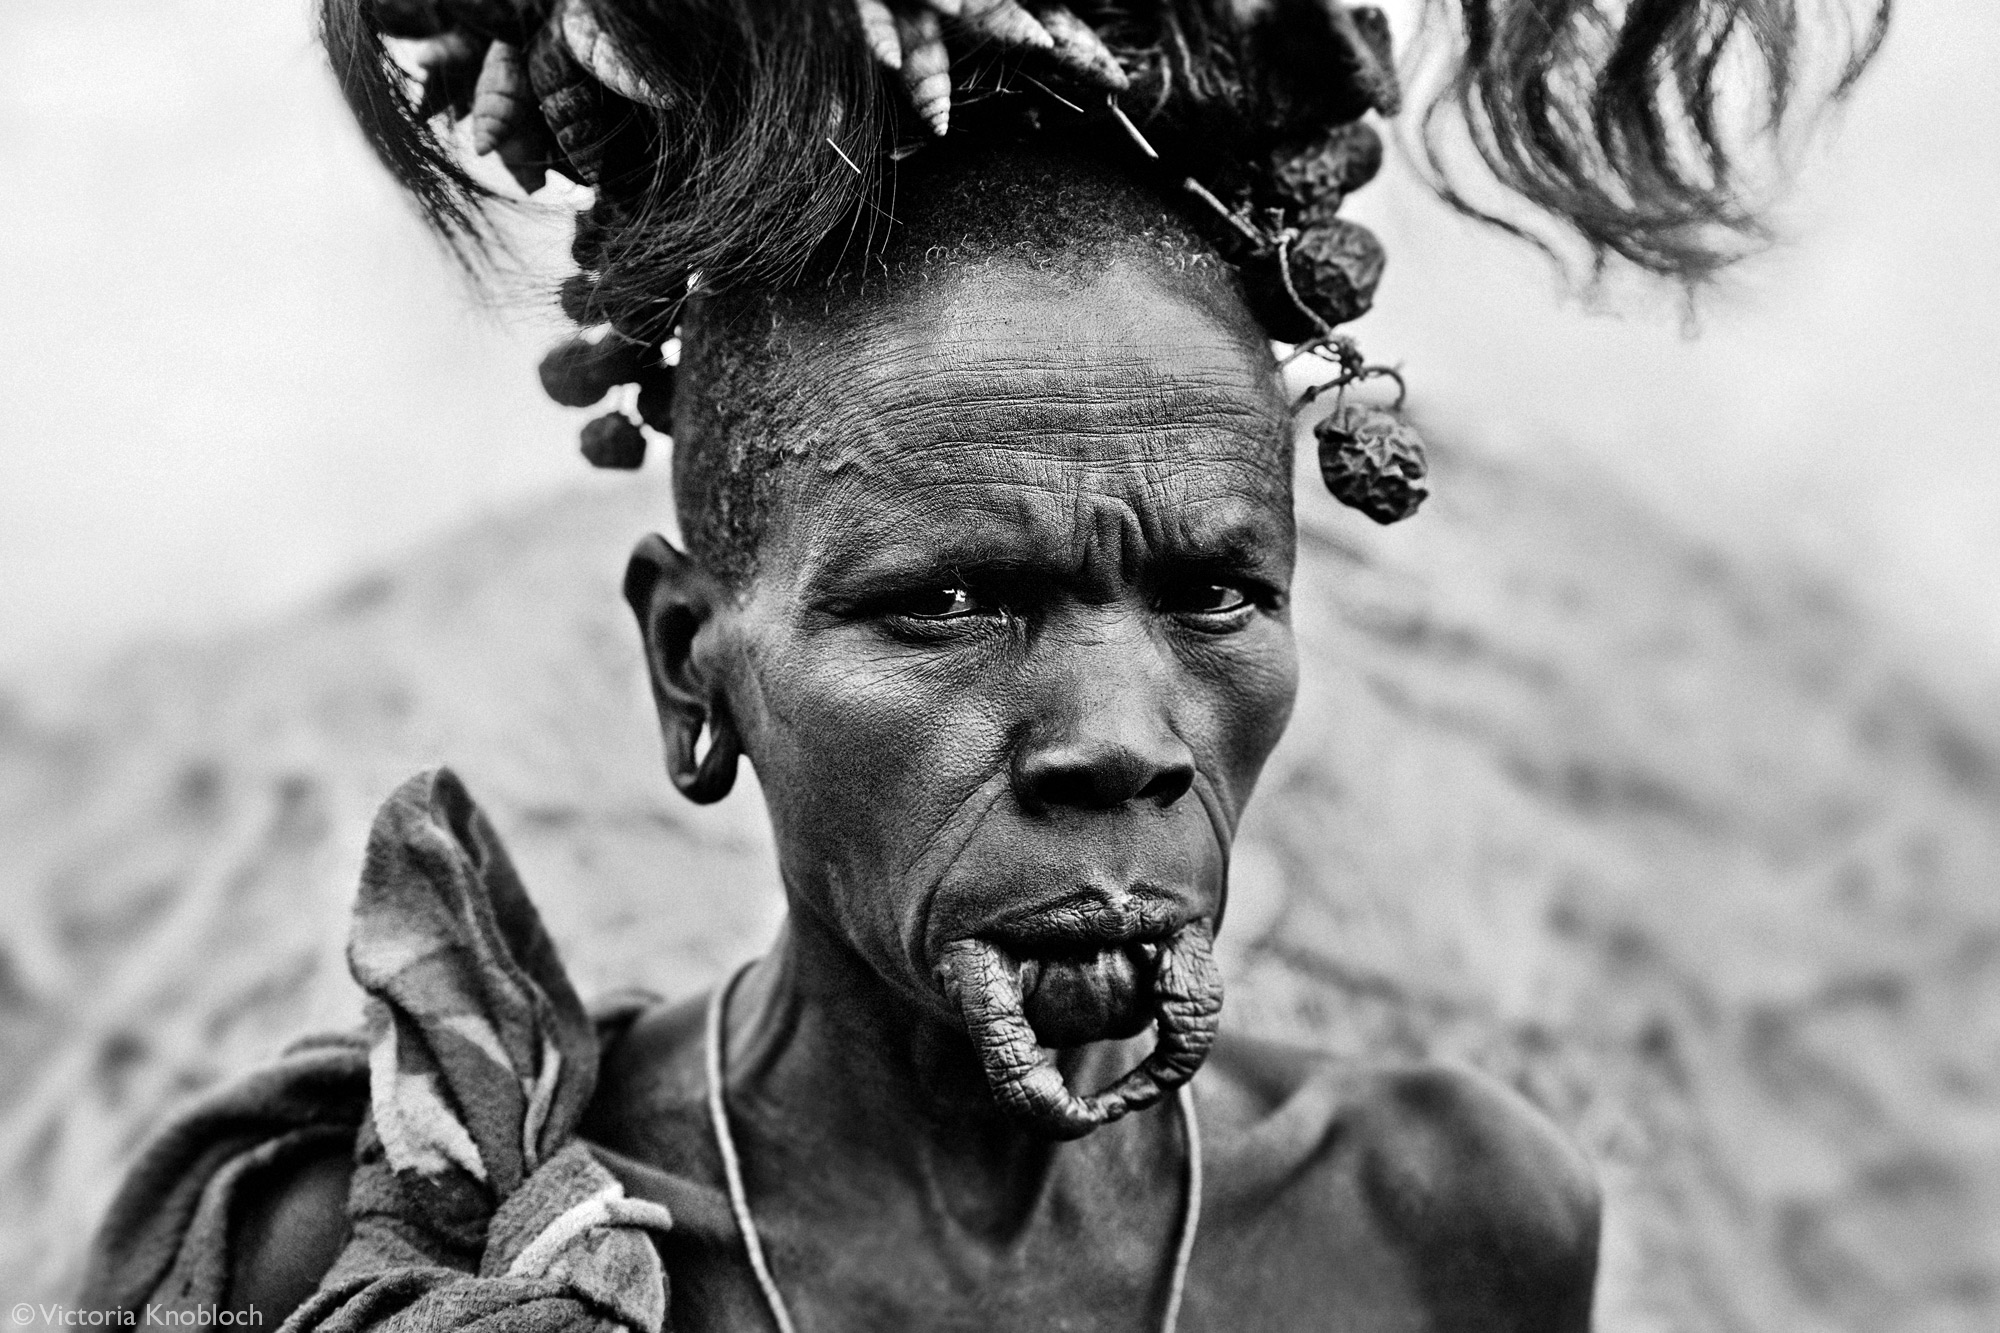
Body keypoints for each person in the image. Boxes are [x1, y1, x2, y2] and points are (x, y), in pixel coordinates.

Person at [78, 2, 1887, 1330]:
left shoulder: (1445, 1224)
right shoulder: (395, 1250)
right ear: (691, 664)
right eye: (946, 603)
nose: (1121, 738)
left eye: (1214, 592)